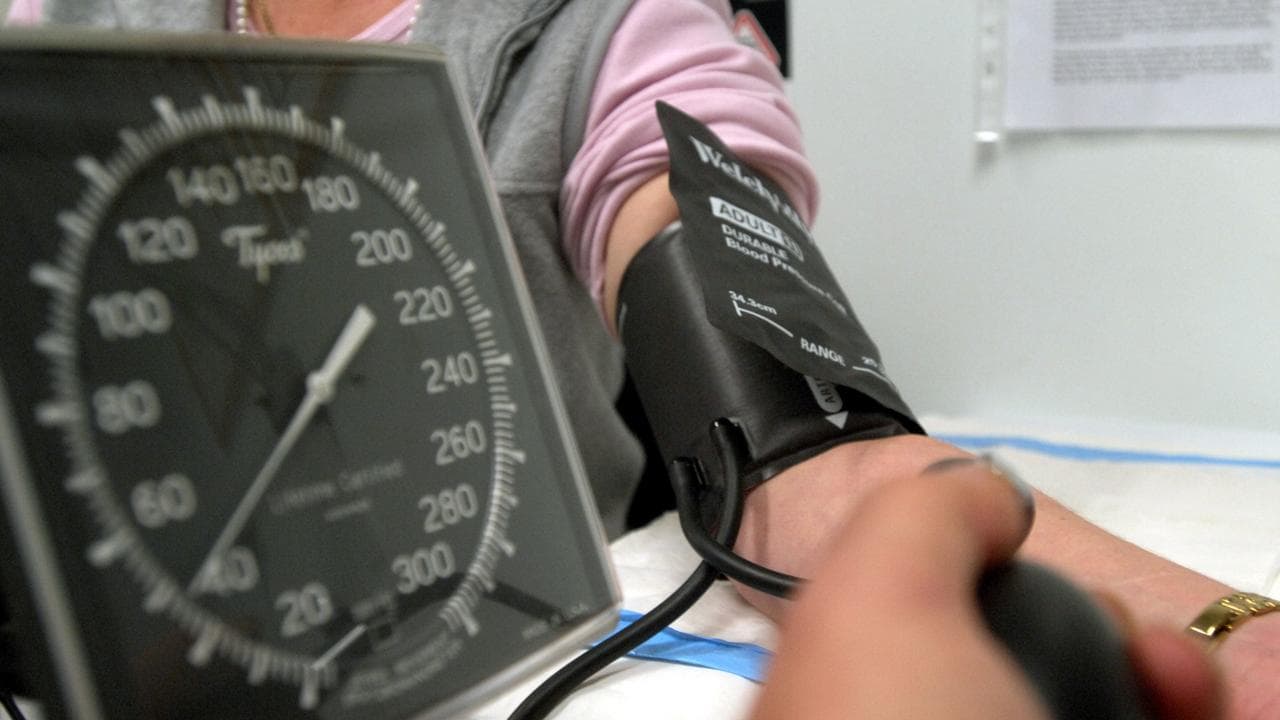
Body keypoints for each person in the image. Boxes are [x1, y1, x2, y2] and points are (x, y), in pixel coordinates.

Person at [6, 1, 1276, 717]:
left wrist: (1229, 632)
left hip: (473, 652)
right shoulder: (69, 22)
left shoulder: (608, 30)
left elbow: (804, 455)